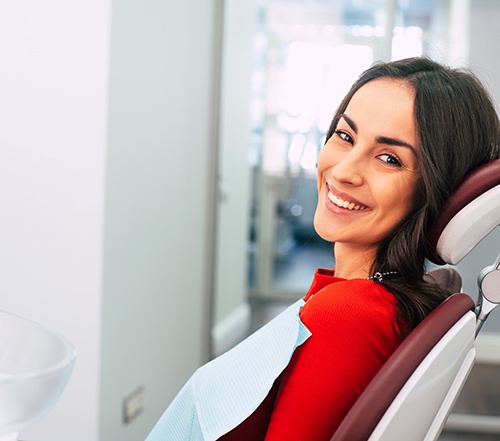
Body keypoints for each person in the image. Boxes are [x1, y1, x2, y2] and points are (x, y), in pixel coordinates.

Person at [146, 57, 500, 441]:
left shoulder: (348, 317)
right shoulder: (367, 300)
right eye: (345, 136)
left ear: (438, 190)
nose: (343, 170)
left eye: (389, 158)